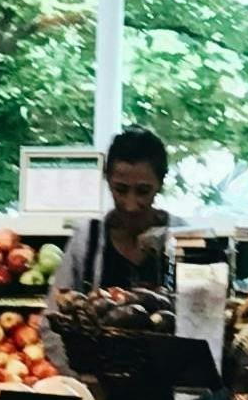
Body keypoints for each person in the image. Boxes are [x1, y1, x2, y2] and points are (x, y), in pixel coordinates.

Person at [52, 125, 174, 296]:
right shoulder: (87, 239)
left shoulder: (183, 239)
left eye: (143, 191)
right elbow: (56, 309)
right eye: (120, 190)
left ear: (160, 184)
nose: (130, 205)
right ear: (107, 180)